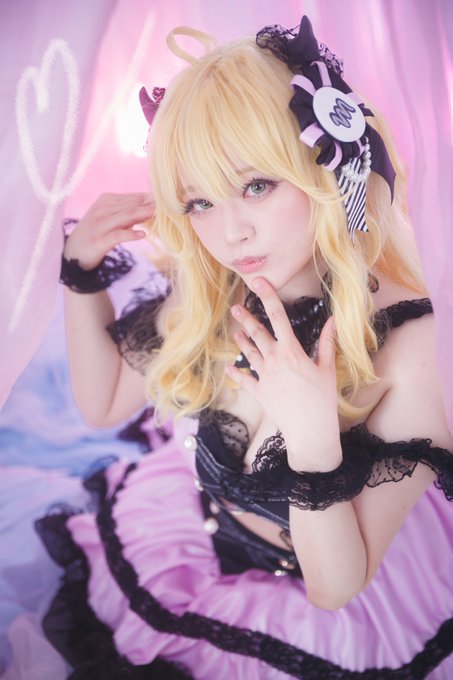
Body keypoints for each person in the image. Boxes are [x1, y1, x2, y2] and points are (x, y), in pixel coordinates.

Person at [10, 14, 453, 680]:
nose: (230, 233)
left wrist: (310, 436)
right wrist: (81, 275)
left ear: (325, 167)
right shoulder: (223, 288)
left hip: (326, 601)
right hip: (190, 538)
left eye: (256, 186)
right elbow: (103, 406)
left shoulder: (413, 346)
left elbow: (334, 588)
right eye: (199, 202)